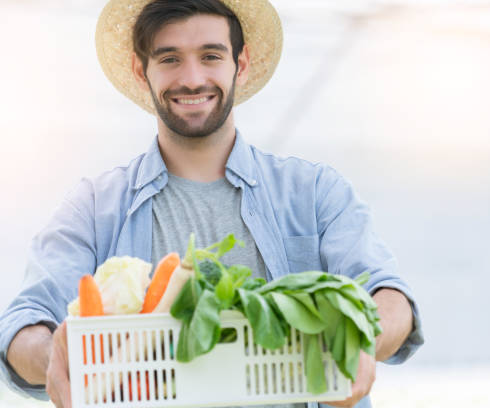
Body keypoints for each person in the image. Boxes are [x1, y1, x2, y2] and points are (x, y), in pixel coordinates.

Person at [0, 0, 424, 407]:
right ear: (139, 69)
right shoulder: (94, 207)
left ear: (239, 64)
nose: (191, 78)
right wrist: (52, 353)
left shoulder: (314, 192)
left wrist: (364, 336)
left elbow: (390, 296)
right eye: (169, 59)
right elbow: (23, 323)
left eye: (210, 56)